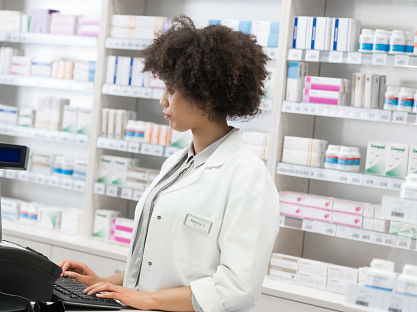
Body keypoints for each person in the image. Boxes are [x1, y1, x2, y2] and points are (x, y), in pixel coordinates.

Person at [59, 15, 279, 312]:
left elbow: (237, 287)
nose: (163, 101)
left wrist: (147, 300)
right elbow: (162, 267)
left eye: (172, 91)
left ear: (208, 98)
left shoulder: (247, 177)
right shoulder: (177, 164)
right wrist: (103, 282)